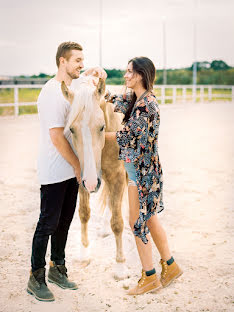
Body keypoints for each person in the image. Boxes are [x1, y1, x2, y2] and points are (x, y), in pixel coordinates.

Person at [27, 41, 107, 302]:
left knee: (64, 222)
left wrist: (95, 71)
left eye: (83, 60)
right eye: (77, 60)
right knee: (47, 224)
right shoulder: (52, 93)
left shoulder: (73, 88)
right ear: (62, 61)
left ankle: (57, 269)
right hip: (55, 170)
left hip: (72, 170)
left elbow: (91, 77)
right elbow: (57, 137)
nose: (81, 64)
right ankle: (35, 276)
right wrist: (77, 165)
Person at [105, 57, 183, 295]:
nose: (125, 75)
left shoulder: (146, 105)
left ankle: (149, 276)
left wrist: (97, 135)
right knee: (149, 220)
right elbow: (116, 100)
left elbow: (126, 136)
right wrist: (99, 80)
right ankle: (170, 266)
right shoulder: (136, 99)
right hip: (141, 172)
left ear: (140, 75)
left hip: (141, 174)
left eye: (129, 72)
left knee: (136, 223)